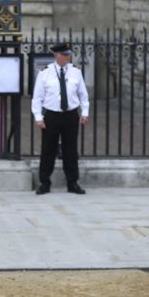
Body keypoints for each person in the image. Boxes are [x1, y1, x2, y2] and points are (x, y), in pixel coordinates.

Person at [31, 42, 89, 195]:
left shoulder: (76, 72)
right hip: (51, 115)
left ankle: (72, 182)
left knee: (70, 150)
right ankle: (44, 182)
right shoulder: (45, 73)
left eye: (68, 54)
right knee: (48, 149)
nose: (67, 57)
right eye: (64, 54)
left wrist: (85, 112)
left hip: (70, 115)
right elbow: (37, 98)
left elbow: (83, 94)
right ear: (56, 55)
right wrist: (38, 117)